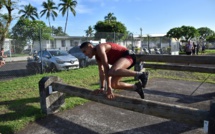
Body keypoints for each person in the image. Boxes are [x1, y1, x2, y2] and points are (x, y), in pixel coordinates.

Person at [80, 42, 149, 99]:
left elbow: (106, 68)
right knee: (114, 84)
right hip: (119, 64)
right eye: (83, 53)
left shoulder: (100, 48)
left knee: (112, 71)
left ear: (90, 47)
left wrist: (108, 88)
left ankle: (141, 74)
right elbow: (101, 72)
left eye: (84, 51)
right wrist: (102, 87)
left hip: (128, 56)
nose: (85, 54)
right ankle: (136, 87)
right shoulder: (97, 57)